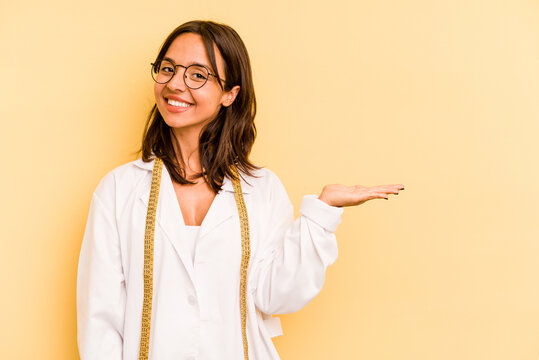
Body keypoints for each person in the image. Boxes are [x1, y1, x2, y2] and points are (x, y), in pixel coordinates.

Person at [76, 20, 404, 360]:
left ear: (230, 93)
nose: (175, 84)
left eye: (198, 75)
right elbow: (98, 319)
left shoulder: (261, 189)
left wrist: (321, 213)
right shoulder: (118, 190)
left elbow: (276, 295)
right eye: (168, 69)